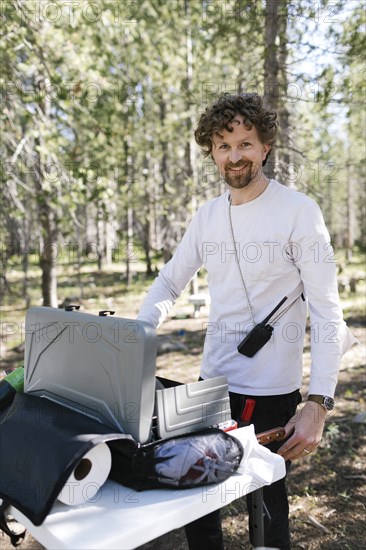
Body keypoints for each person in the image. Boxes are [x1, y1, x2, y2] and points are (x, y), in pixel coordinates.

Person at [137, 93, 355, 550]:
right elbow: (168, 284)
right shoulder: (207, 216)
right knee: (196, 499)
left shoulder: (299, 212)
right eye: (223, 145)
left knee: (265, 506)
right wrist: (136, 335)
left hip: (269, 393)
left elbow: (328, 312)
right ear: (211, 152)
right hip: (209, 383)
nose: (234, 155)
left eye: (245, 143)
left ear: (265, 147)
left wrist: (319, 403)